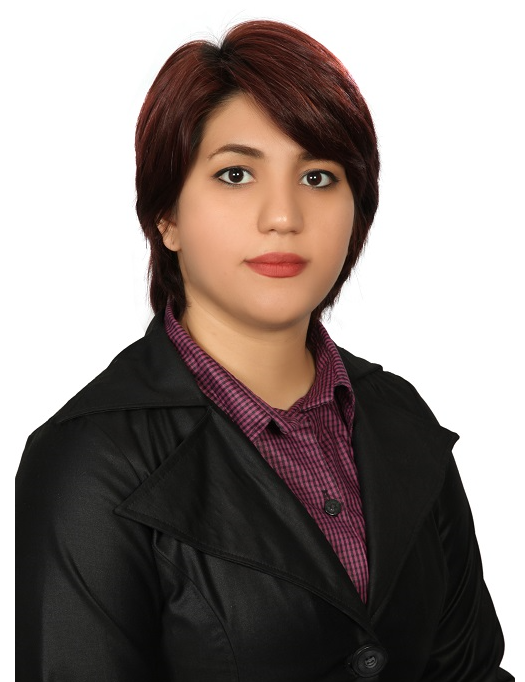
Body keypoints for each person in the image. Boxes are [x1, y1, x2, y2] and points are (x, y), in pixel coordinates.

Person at [16, 19, 512, 682]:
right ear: (166, 216)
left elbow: (471, 673)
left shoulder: (400, 416)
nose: (283, 216)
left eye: (318, 177)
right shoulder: (89, 460)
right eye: (235, 174)